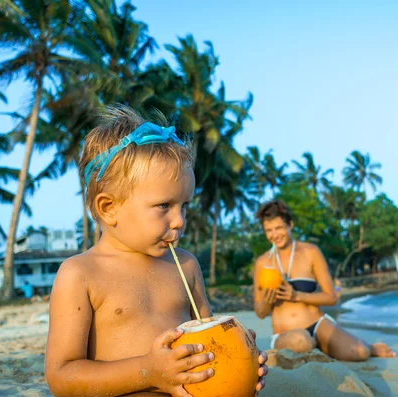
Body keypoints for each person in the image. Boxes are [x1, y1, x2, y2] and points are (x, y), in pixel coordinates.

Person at [45, 106, 267, 397]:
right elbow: (62, 376)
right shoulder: (81, 274)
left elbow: (209, 338)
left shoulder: (186, 265)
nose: (179, 221)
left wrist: (240, 358)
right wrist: (150, 371)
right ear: (109, 208)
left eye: (184, 206)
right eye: (164, 206)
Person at [253, 199, 396, 361]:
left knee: (361, 352)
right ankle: (320, 347)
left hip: (318, 323)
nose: (275, 235)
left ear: (290, 225)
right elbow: (260, 312)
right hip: (286, 333)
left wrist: (296, 296)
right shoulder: (262, 263)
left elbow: (330, 297)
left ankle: (367, 346)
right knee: (301, 341)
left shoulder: (311, 252)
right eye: (269, 230)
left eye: (279, 228)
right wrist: (266, 300)